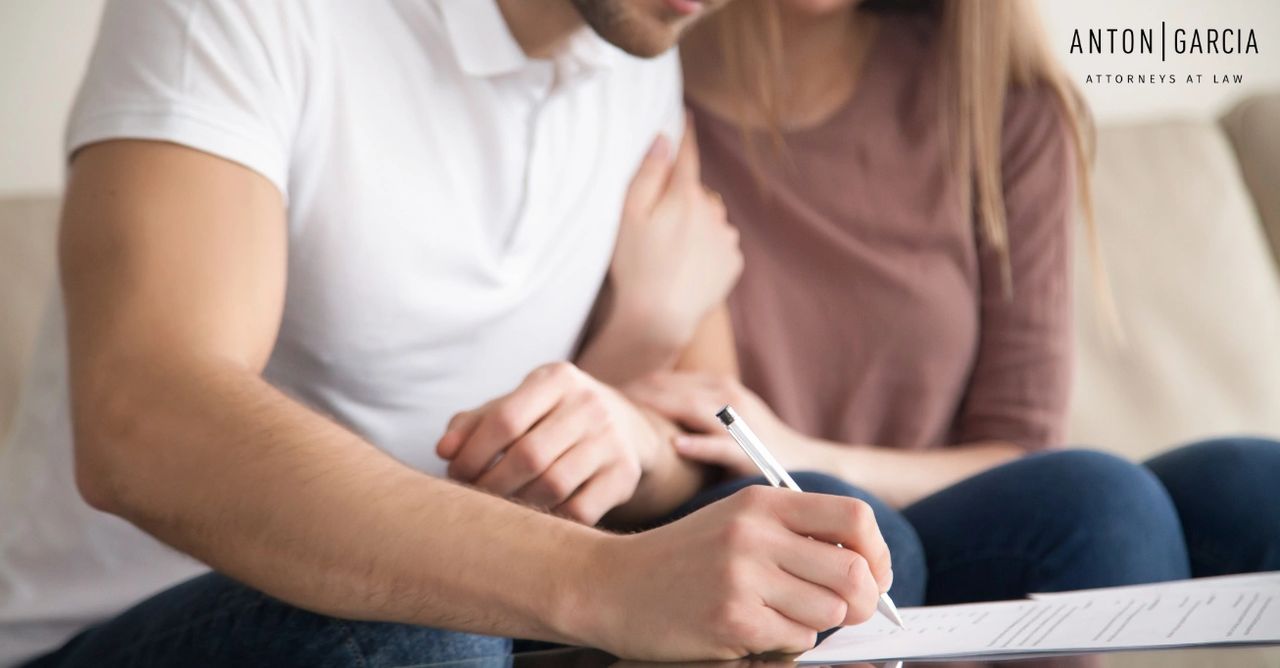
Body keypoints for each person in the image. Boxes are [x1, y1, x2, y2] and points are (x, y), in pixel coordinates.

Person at [0, 0, 900, 665]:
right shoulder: (246, 14)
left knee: (827, 551)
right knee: (426, 635)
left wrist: (630, 417)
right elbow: (144, 425)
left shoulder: (638, 51)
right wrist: (601, 582)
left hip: (490, 607)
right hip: (129, 624)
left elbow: (700, 433)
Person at [612, 0, 1277, 607]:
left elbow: (1021, 447)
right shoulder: (636, 90)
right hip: (759, 516)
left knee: (1248, 486)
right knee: (1081, 510)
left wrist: (807, 451)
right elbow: (681, 418)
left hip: (945, 514)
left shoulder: (1001, 104)